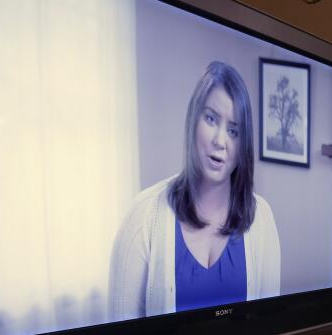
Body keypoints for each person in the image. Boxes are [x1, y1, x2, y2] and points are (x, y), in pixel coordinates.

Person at [110, 62, 281, 320]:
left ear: (243, 144)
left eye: (233, 131)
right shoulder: (143, 218)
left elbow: (269, 329)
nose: (220, 141)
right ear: (193, 120)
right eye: (211, 119)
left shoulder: (262, 220)